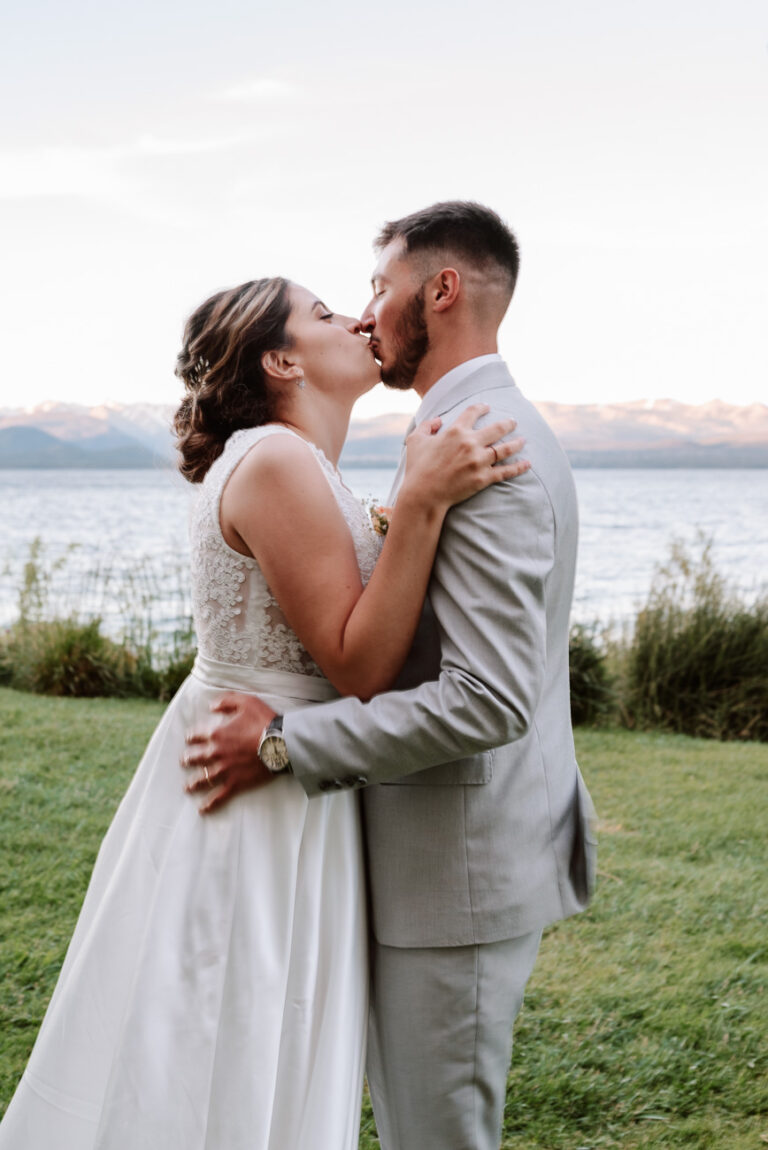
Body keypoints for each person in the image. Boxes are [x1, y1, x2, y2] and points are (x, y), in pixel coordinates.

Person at [0, 276, 528, 1149]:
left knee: (230, 1022)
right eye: (324, 314)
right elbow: (357, 667)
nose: (356, 318)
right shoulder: (277, 460)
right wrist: (425, 506)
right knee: (230, 1021)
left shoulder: (289, 460)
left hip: (282, 767)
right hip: (260, 786)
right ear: (283, 360)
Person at [183, 202, 597, 1150]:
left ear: (441, 289)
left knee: (435, 1135)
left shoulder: (488, 452)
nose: (366, 314)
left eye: (376, 287)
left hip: (458, 870)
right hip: (424, 856)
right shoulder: (458, 437)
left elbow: (486, 698)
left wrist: (287, 740)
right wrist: (396, 516)